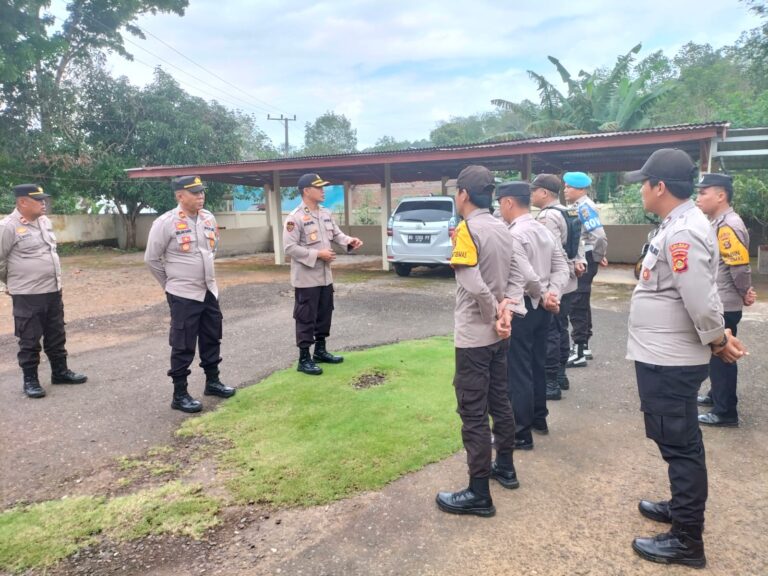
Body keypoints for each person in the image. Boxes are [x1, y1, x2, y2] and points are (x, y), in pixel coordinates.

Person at [624, 149, 747, 568]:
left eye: (644, 182)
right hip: (664, 353)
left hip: (670, 357)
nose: (641, 189)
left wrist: (716, 339)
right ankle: (680, 508)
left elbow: (699, 295)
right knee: (673, 439)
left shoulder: (682, 232)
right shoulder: (678, 224)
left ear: (659, 186)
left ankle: (686, 539)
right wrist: (716, 336)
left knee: (681, 445)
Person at [435, 166, 526, 518]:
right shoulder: (503, 228)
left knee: (472, 412)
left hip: (475, 336)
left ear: (463, 194)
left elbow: (472, 282)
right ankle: (505, 466)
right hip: (500, 335)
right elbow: (518, 273)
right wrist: (507, 309)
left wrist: (494, 313)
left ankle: (478, 492)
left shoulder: (467, 229)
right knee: (500, 401)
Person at [145, 176, 235, 413]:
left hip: (208, 290)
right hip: (183, 294)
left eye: (201, 192)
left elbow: (212, 250)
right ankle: (180, 393)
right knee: (183, 344)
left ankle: (213, 382)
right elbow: (152, 259)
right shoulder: (165, 222)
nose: (200, 196)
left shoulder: (208, 218)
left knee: (211, 337)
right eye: (194, 192)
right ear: (180, 196)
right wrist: (171, 285)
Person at [498, 181, 568, 448]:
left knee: (518, 371)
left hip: (523, 307)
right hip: (543, 309)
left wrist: (542, 294)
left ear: (508, 202)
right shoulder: (542, 228)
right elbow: (562, 266)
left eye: (500, 204)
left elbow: (527, 274)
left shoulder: (513, 234)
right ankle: (539, 418)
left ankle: (520, 432)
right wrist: (553, 295)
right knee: (537, 364)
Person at [0, 184, 87, 398]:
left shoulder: (44, 222)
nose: (43, 203)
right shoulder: (7, 227)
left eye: (43, 199)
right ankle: (30, 380)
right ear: (22, 202)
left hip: (52, 289)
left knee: (56, 333)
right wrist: (13, 282)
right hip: (27, 293)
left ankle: (60, 372)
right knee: (29, 338)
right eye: (38, 200)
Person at [283, 173, 363, 375]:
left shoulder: (325, 213)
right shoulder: (295, 218)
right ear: (306, 191)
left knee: (324, 314)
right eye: (318, 187)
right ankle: (304, 358)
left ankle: (320, 350)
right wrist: (318, 254)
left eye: (323, 187)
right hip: (306, 279)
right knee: (306, 317)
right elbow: (290, 247)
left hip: (325, 277)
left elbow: (336, 234)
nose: (323, 190)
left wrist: (349, 241)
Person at [694, 173, 756, 427]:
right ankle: (715, 396)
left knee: (723, 355)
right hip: (721, 300)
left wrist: (745, 292)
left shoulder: (728, 225)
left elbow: (739, 266)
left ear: (720, 196)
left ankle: (725, 412)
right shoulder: (718, 222)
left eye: (703, 193)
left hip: (725, 302)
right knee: (716, 354)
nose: (698, 199)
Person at [530, 174, 583, 399]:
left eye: (534, 190)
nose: (531, 195)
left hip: (555, 282)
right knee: (561, 328)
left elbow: (551, 251)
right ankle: (561, 375)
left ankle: (551, 381)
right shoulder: (569, 210)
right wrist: (579, 261)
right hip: (570, 280)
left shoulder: (548, 216)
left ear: (544, 193)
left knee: (551, 330)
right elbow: (579, 240)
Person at [563, 172, 608, 367]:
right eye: (565, 186)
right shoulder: (578, 206)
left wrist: (597, 257)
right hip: (587, 256)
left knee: (577, 302)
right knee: (582, 300)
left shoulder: (584, 208)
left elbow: (598, 236)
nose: (565, 190)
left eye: (569, 187)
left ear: (580, 189)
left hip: (585, 257)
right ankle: (584, 345)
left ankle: (579, 349)